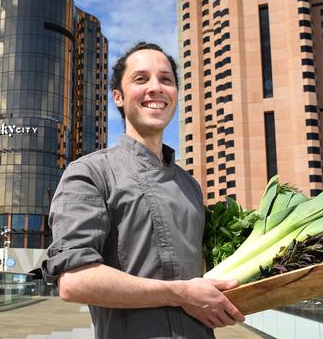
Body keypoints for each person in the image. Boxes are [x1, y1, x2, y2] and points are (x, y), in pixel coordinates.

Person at [42, 42, 244, 338]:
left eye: (165, 79)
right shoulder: (89, 172)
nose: (155, 88)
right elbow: (75, 281)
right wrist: (181, 293)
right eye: (141, 79)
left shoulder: (190, 186)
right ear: (119, 97)